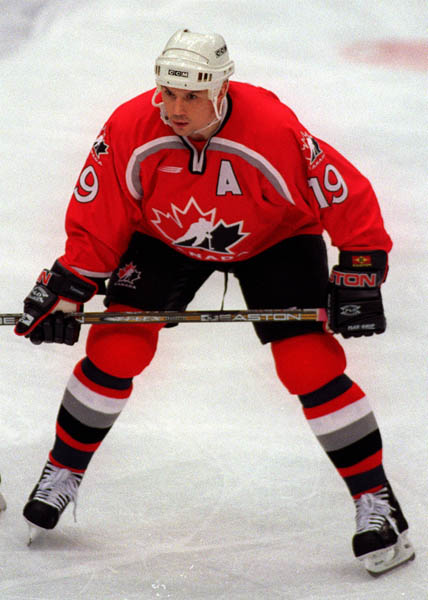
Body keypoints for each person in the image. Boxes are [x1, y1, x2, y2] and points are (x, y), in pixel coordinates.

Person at [15, 29, 414, 574]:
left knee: (308, 361)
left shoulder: (272, 129)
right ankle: (63, 471)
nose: (174, 109)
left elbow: (347, 192)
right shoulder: (131, 126)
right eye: (167, 93)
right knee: (117, 346)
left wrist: (361, 271)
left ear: (221, 89)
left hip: (276, 238)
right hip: (165, 238)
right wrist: (69, 288)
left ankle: (377, 502)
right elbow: (100, 211)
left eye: (191, 97)